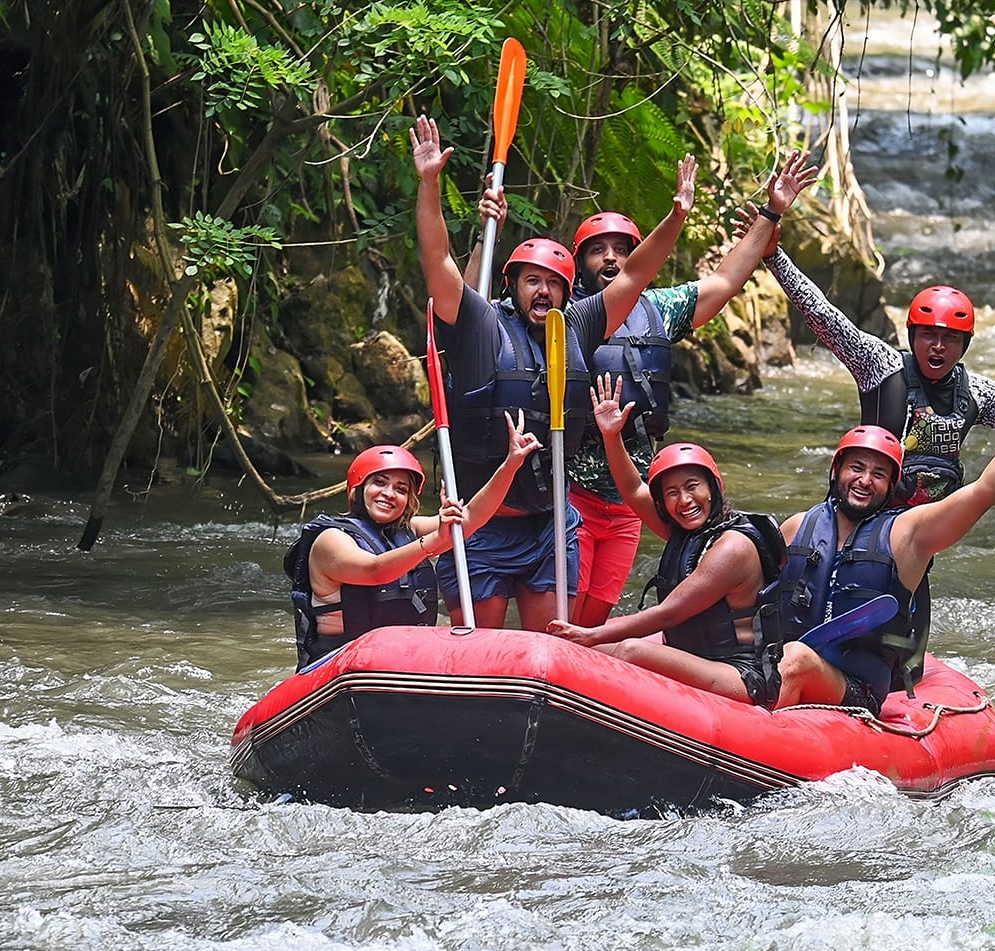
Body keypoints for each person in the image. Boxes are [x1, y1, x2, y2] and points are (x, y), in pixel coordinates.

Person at [473, 152, 819, 627]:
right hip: (567, 493)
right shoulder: (553, 315)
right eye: (598, 250)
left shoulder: (658, 308)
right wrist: (483, 236)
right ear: (578, 264)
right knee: (562, 618)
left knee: (595, 621)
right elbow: (470, 317)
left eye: (622, 248)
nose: (611, 258)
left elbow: (724, 280)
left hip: (633, 497)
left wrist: (772, 213)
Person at [410, 114, 694, 630]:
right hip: (481, 526)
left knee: (552, 648)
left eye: (553, 284)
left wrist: (675, 216)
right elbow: (437, 262)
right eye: (531, 281)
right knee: (482, 650)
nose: (543, 292)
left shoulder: (577, 326)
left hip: (549, 524)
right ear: (513, 286)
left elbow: (635, 274)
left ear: (568, 291)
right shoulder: (480, 326)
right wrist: (429, 184)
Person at [745, 220, 995, 506]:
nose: (937, 347)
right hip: (864, 505)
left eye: (949, 339)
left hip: (926, 521)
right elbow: (823, 315)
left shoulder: (977, 393)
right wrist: (773, 256)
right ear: (912, 338)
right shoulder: (879, 364)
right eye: (928, 335)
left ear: (964, 346)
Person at [771, 373, 995, 717]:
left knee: (798, 660)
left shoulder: (907, 535)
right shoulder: (796, 527)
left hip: (855, 688)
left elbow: (983, 493)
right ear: (836, 471)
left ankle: (758, 738)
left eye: (879, 474)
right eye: (857, 467)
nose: (865, 480)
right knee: (783, 658)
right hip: (786, 662)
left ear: (892, 484)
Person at [545, 375, 787, 707]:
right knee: (584, 652)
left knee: (628, 649)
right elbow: (632, 490)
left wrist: (589, 633)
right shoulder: (685, 533)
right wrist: (611, 436)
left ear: (714, 489)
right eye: (672, 493)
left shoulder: (733, 547)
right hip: (697, 659)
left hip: (741, 675)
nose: (684, 500)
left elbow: (668, 614)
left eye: (692, 487)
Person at [285, 413, 541, 666]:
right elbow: (374, 570)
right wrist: (433, 541)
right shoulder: (330, 539)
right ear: (358, 489)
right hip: (340, 664)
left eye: (401, 489)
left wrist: (511, 464)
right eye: (380, 483)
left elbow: (472, 517)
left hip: (397, 661)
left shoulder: (408, 530)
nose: (389, 493)